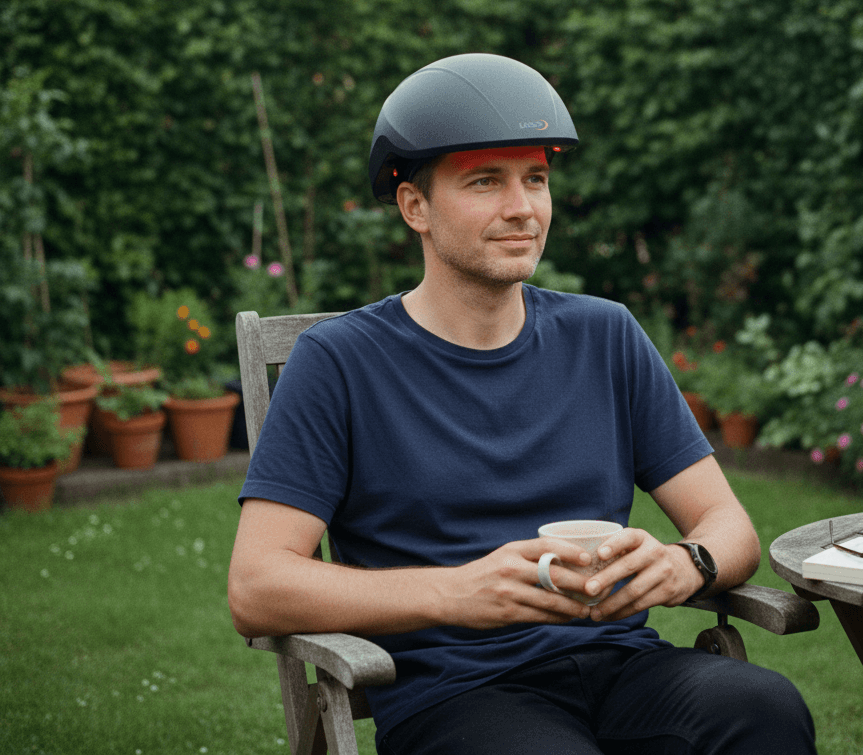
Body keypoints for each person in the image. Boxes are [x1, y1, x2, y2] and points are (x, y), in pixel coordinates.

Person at [228, 53, 816, 755]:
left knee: (764, 708)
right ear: (414, 205)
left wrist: (687, 564)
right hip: (457, 694)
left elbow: (727, 525)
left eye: (535, 179)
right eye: (485, 181)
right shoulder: (340, 362)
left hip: (624, 664)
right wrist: (454, 594)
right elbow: (257, 586)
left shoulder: (605, 335)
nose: (523, 207)